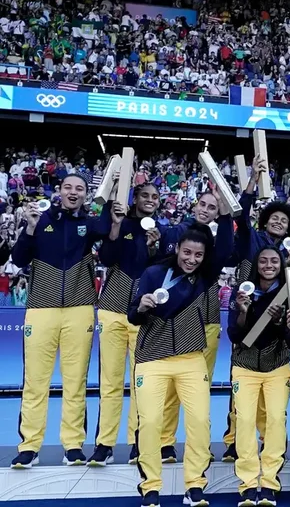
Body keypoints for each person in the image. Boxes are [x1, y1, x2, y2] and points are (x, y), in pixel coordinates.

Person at [129, 219, 233, 507]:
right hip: (152, 358)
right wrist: (141, 307)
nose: (192, 260)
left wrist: (227, 214)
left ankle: (195, 485)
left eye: (198, 255)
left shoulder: (204, 277)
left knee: (200, 422)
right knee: (149, 422)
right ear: (178, 250)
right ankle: (150, 486)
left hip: (191, 359)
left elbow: (224, 248)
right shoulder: (152, 273)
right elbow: (132, 316)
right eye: (187, 253)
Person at [10, 174, 111, 469]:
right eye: (68, 187)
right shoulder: (40, 221)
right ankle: (29, 446)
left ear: (85, 195)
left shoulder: (90, 225)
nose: (73, 192)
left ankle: (73, 445)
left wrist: (110, 191)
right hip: (41, 309)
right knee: (34, 382)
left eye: (80, 188)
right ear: (59, 191)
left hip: (79, 310)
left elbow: (106, 227)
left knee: (75, 381)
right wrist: (29, 228)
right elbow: (18, 259)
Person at [222, 157, 290, 463]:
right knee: (240, 383)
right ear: (265, 220)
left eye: (284, 220)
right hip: (247, 311)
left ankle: (270, 441)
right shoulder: (251, 239)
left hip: (276, 321)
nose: (278, 222)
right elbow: (240, 213)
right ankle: (233, 440)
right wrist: (252, 181)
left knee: (273, 383)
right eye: (274, 218)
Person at [90, 183, 163, 466]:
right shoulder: (122, 221)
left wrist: (153, 248)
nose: (150, 200)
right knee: (110, 382)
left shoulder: (161, 230)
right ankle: (104, 444)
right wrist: (116, 225)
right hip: (111, 311)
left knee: (140, 383)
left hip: (142, 316)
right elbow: (107, 258)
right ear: (135, 199)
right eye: (145, 195)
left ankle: (137, 443)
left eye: (155, 197)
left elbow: (159, 269)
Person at [160, 186, 235, 463]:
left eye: (212, 207)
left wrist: (227, 215)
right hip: (173, 324)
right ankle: (165, 443)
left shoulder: (213, 255)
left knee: (199, 393)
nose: (205, 209)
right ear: (194, 205)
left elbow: (227, 246)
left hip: (207, 325)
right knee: (170, 390)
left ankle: (199, 447)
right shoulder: (174, 235)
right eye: (202, 204)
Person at [228, 247, 290, 507]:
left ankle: (269, 483)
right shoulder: (243, 290)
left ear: (281, 264)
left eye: (274, 261)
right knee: (244, 422)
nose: (268, 265)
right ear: (256, 264)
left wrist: (280, 324)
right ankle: (247, 484)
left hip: (277, 365)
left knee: (276, 420)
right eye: (263, 261)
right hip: (245, 366)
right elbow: (235, 334)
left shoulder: (289, 293)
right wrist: (243, 310)